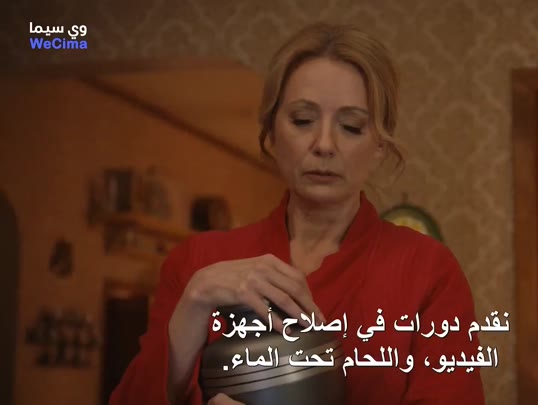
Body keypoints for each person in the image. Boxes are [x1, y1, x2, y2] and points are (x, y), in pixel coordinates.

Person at [110, 22, 486, 405]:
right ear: (271, 133)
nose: (324, 144)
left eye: (351, 126)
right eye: (303, 120)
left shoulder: (428, 272)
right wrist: (194, 303)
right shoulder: (198, 264)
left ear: (379, 146)